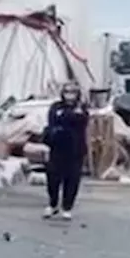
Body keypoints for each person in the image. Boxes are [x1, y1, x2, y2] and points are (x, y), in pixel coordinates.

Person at [42, 80, 90, 220]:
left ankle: (67, 207)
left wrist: (66, 117)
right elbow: (52, 120)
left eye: (73, 92)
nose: (70, 95)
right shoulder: (56, 107)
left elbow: (80, 120)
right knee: (53, 179)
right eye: (67, 92)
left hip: (75, 150)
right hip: (57, 148)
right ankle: (53, 204)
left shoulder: (82, 108)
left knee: (72, 180)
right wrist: (66, 118)